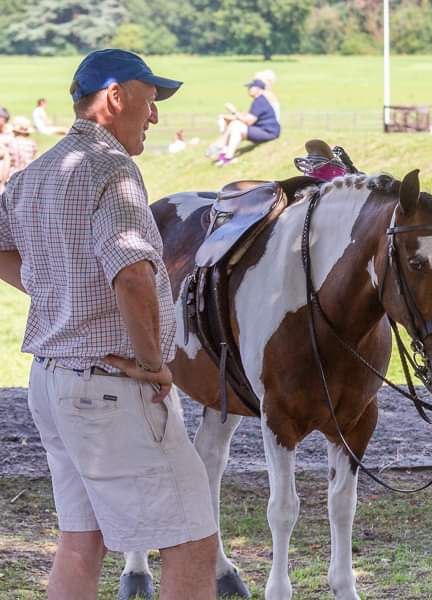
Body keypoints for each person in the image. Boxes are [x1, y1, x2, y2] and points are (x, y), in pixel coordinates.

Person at [0, 49, 217, 599]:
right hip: (112, 386)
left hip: (51, 382)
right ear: (115, 97)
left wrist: (59, 289)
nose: (156, 116)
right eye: (150, 99)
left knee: (81, 540)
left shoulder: (38, 171)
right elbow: (132, 275)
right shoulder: (111, 168)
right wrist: (152, 364)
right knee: (193, 543)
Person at [208, 78, 281, 166]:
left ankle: (225, 153)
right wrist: (227, 117)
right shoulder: (259, 100)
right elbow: (245, 117)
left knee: (236, 126)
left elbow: (248, 122)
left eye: (250, 87)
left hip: (269, 132)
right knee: (235, 125)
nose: (248, 89)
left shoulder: (260, 101)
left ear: (258, 89)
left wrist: (233, 111)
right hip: (263, 130)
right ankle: (224, 155)